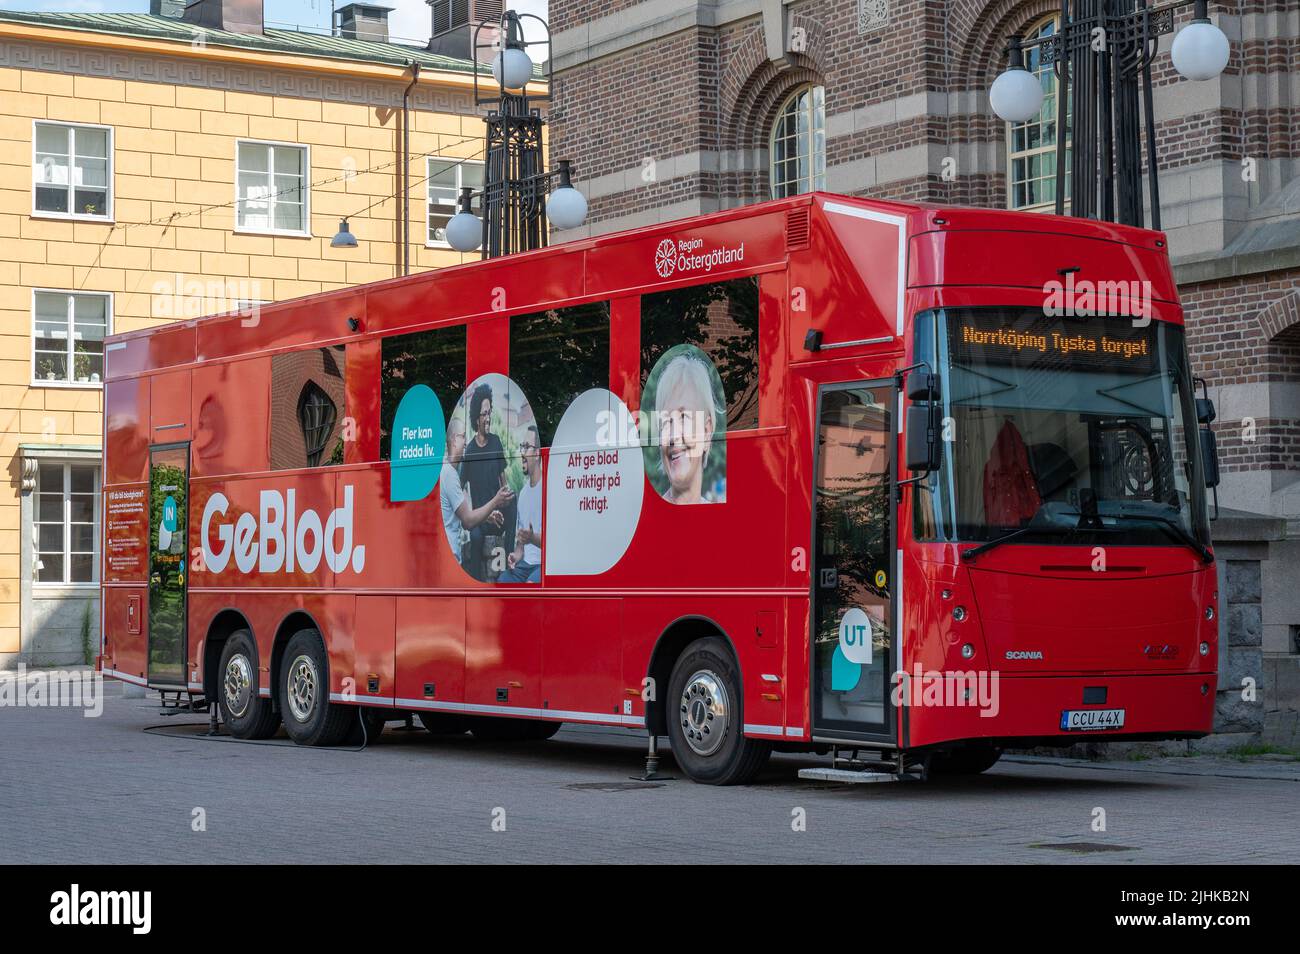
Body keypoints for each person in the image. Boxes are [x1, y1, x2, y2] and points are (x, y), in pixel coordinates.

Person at [441, 416, 511, 568]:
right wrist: (495, 502)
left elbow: (462, 513)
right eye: (462, 436)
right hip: (450, 558)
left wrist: (487, 517)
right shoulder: (450, 474)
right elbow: (467, 521)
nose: (466, 442)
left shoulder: (445, 471)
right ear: (454, 439)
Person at [653, 351, 723, 504]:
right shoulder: (652, 518)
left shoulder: (719, 518)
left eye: (683, 417)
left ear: (706, 431)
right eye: (665, 422)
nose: (673, 436)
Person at [459, 382, 510, 578]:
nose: (488, 418)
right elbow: (461, 487)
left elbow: (503, 480)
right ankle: (475, 586)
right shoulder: (470, 451)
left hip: (500, 512)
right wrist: (472, 512)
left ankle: (511, 570)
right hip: (482, 516)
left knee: (512, 506)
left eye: (490, 413)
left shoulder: (496, 441)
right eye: (484, 414)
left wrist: (506, 499)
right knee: (476, 536)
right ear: (476, 418)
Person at [501, 424, 542, 583]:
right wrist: (516, 556)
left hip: (544, 565)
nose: (522, 452)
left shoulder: (549, 488)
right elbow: (520, 543)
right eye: (522, 447)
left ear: (538, 453)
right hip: (525, 565)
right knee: (502, 581)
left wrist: (532, 538)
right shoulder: (523, 494)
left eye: (527, 447)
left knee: (530, 587)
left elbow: (556, 543)